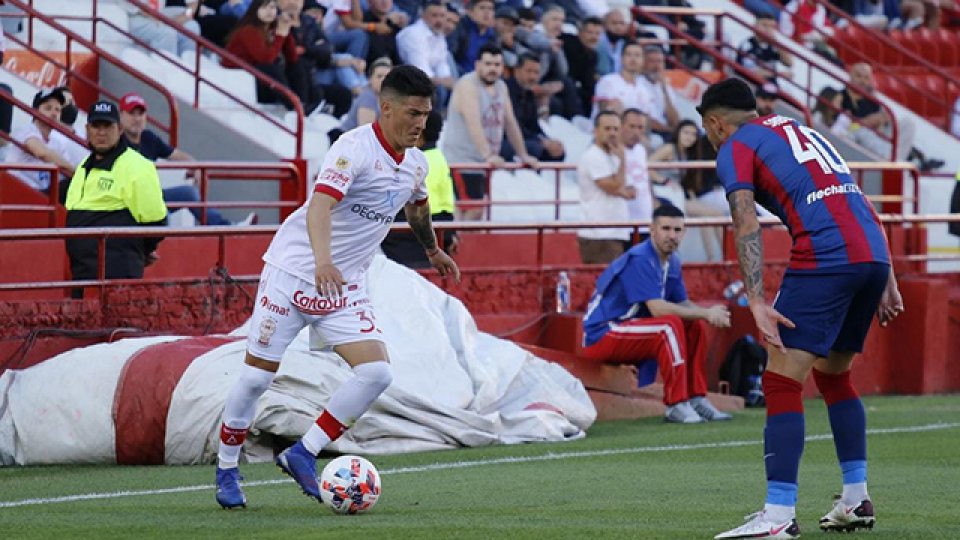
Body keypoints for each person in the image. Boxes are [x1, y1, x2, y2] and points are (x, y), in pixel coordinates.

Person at [214, 65, 460, 509]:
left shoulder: (416, 163)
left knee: (377, 372)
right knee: (255, 378)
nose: (420, 123)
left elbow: (418, 208)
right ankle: (227, 468)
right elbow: (320, 206)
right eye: (412, 113)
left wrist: (433, 250)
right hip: (294, 274)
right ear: (385, 108)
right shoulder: (353, 148)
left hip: (342, 287)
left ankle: (302, 452)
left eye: (425, 114)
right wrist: (323, 260)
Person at [698, 78, 903, 539]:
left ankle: (777, 516)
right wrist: (884, 271)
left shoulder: (734, 145)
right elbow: (855, 194)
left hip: (827, 254)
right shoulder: (799, 129)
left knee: (780, 377)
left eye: (709, 132)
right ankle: (855, 497)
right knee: (833, 376)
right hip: (868, 251)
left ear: (716, 123)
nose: (711, 141)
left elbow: (744, 217)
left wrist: (755, 299)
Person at [582, 205, 732, 423]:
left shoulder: (672, 261)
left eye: (678, 230)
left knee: (694, 325)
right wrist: (706, 313)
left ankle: (696, 397)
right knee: (668, 326)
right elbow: (658, 309)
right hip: (603, 332)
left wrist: (708, 314)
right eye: (666, 229)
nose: (672, 236)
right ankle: (676, 404)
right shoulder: (641, 258)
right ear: (652, 230)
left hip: (631, 328)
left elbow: (682, 303)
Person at [64, 101, 168, 286]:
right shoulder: (83, 166)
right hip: (82, 271)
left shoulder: (137, 165)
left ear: (120, 129)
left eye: (108, 126)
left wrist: (140, 251)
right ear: (87, 129)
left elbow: (156, 222)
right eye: (96, 126)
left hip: (116, 275)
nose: (101, 132)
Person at [118, 92, 256, 226]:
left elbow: (177, 155)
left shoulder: (148, 137)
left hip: (151, 197)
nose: (137, 119)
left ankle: (226, 228)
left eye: (140, 114)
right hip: (126, 202)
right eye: (131, 114)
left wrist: (195, 166)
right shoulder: (115, 141)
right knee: (160, 213)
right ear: (121, 115)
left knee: (188, 193)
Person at [443, 44, 538, 221]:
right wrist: (488, 155)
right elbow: (474, 123)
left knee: (472, 209)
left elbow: (510, 122)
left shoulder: (501, 87)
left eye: (496, 65)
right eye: (487, 64)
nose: (492, 69)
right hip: (463, 159)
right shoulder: (467, 85)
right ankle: (461, 248)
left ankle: (459, 245)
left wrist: (523, 154)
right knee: (472, 209)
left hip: (482, 162)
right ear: (477, 64)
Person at [381, 110, 460, 267]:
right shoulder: (438, 158)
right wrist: (450, 234)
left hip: (414, 238)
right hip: (435, 231)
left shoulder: (416, 162)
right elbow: (446, 203)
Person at [576, 111, 633, 264]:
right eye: (607, 129)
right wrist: (623, 161)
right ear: (596, 131)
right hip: (599, 234)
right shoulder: (593, 156)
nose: (612, 133)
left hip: (614, 231)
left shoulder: (613, 156)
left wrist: (619, 184)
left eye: (616, 129)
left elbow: (632, 191)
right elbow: (615, 187)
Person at [4, 88, 75, 195]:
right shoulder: (26, 130)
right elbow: (42, 153)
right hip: (18, 188)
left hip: (42, 193)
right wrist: (77, 173)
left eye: (58, 110)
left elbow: (67, 170)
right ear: (35, 111)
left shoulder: (57, 143)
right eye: (48, 108)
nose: (54, 113)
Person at [503, 54, 565, 162]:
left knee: (558, 152)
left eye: (536, 72)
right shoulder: (505, 91)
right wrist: (541, 142)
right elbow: (514, 126)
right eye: (529, 71)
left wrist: (548, 140)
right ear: (517, 71)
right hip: (505, 140)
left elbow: (534, 126)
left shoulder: (529, 94)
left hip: (526, 139)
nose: (533, 77)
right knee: (536, 148)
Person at [396, 0, 455, 99]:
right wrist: (446, 82)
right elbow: (422, 74)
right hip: (407, 80)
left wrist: (452, 83)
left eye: (442, 16)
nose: (439, 20)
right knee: (438, 89)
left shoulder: (439, 34)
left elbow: (442, 66)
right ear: (423, 16)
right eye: (434, 15)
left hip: (428, 78)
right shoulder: (414, 35)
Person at [328, 57, 393, 142]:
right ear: (370, 79)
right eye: (379, 76)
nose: (383, 80)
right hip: (344, 141)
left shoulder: (390, 98)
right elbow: (366, 134)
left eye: (387, 77)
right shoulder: (368, 98)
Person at [591, 40, 653, 120]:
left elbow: (647, 121)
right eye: (629, 54)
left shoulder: (645, 89)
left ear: (643, 61)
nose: (633, 59)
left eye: (637, 55)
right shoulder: (608, 81)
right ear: (621, 59)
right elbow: (604, 112)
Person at [620, 109, 657, 230]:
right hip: (621, 223)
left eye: (640, 127)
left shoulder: (640, 150)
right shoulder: (610, 151)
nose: (636, 132)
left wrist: (653, 199)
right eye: (632, 126)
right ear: (621, 126)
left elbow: (645, 178)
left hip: (644, 220)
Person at [736, 13, 794, 85]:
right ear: (755, 26)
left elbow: (789, 63)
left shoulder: (772, 46)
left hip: (770, 87)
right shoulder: (748, 45)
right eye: (765, 25)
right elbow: (752, 72)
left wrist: (777, 43)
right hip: (750, 85)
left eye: (772, 27)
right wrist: (779, 74)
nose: (768, 29)